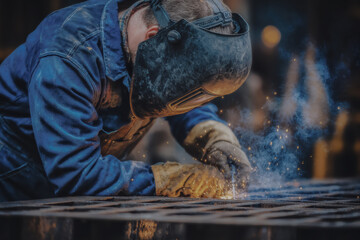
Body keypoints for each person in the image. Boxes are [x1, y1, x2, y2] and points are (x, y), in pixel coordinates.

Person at [0, 0, 252, 201]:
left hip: (74, 200)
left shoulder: (153, 50)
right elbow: (76, 174)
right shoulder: (70, 58)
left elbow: (179, 99)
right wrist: (171, 179)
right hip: (16, 194)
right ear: (152, 38)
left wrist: (214, 138)